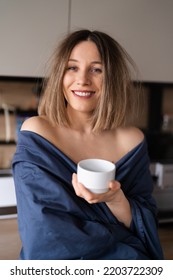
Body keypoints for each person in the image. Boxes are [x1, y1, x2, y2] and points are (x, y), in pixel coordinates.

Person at [12, 29, 163, 260]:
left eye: (96, 69)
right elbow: (44, 233)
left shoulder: (132, 141)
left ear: (112, 78)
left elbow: (146, 223)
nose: (82, 79)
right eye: (72, 67)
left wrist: (116, 200)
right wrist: (119, 233)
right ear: (60, 74)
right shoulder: (38, 132)